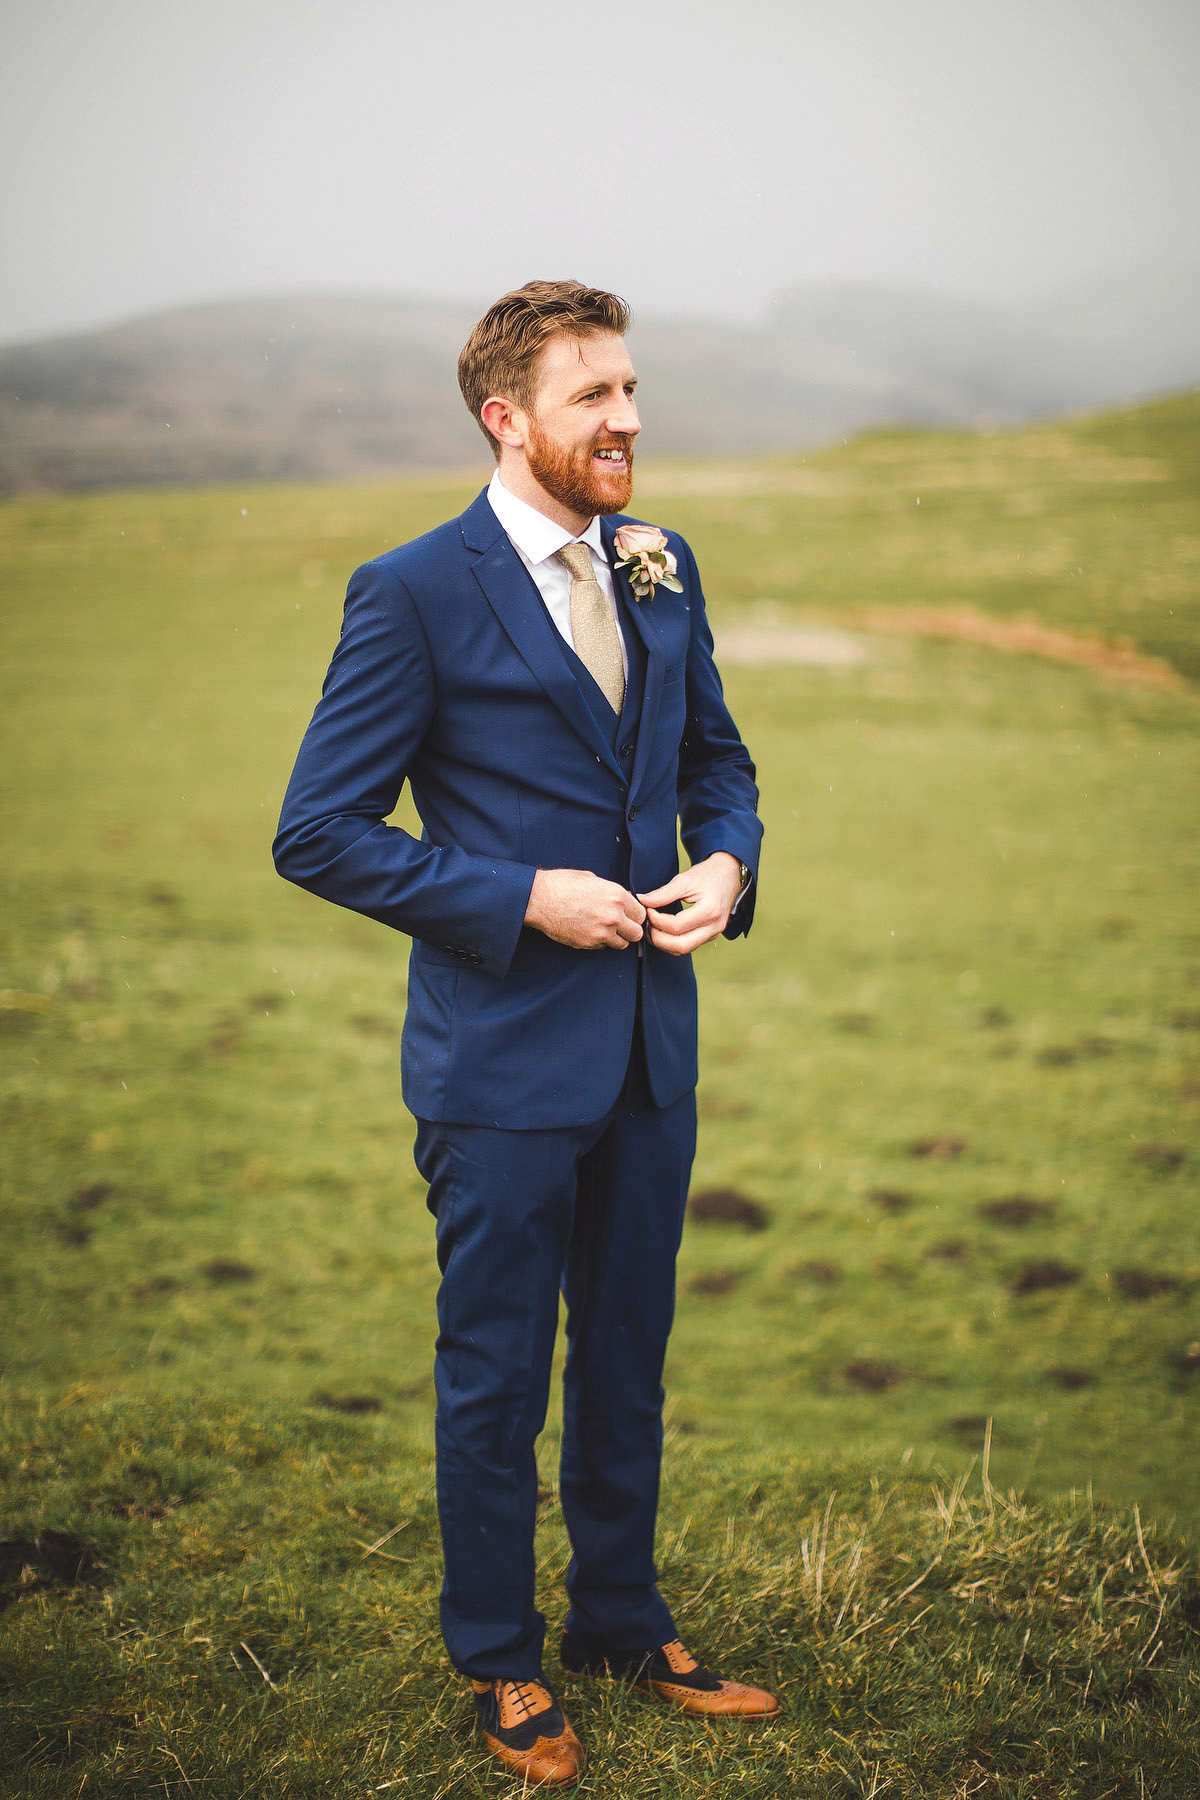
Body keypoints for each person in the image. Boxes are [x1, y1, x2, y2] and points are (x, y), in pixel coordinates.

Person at [273, 280, 774, 1788]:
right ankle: (499, 1657)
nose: (627, 419)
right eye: (593, 397)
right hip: (497, 1067)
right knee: (496, 1373)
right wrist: (523, 896)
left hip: (647, 1051)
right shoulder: (413, 590)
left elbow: (717, 760)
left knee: (628, 1356)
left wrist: (728, 864)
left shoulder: (664, 562)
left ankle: (623, 1617)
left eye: (631, 389)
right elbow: (318, 833)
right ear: (508, 418)